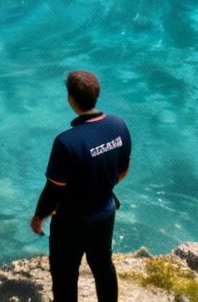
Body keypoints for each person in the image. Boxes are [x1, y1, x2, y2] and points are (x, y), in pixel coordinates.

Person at [30, 71, 132, 302]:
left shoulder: (66, 142)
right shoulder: (118, 125)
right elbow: (124, 168)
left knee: (65, 276)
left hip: (70, 222)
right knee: (103, 267)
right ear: (97, 95)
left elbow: (53, 189)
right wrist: (102, 186)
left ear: (71, 99)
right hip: (105, 214)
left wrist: (38, 217)